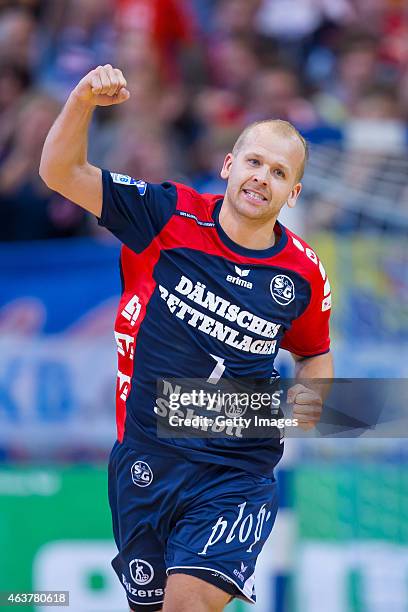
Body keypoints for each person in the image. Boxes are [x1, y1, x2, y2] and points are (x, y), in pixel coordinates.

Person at [40, 64, 334, 612]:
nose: (260, 177)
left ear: (291, 194)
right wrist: (82, 98)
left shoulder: (301, 272)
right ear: (228, 165)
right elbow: (59, 172)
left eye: (276, 172)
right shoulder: (165, 212)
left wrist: (308, 403)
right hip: (146, 458)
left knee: (186, 605)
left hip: (236, 471)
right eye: (252, 162)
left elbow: (314, 355)